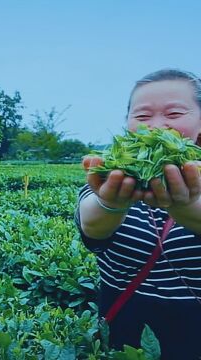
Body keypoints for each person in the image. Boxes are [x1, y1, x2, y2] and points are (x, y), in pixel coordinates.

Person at [77, 69, 201, 359]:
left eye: (174, 113)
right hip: (123, 336)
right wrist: (111, 204)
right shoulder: (109, 172)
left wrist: (182, 205)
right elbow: (91, 226)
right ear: (127, 123)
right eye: (143, 116)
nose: (156, 126)